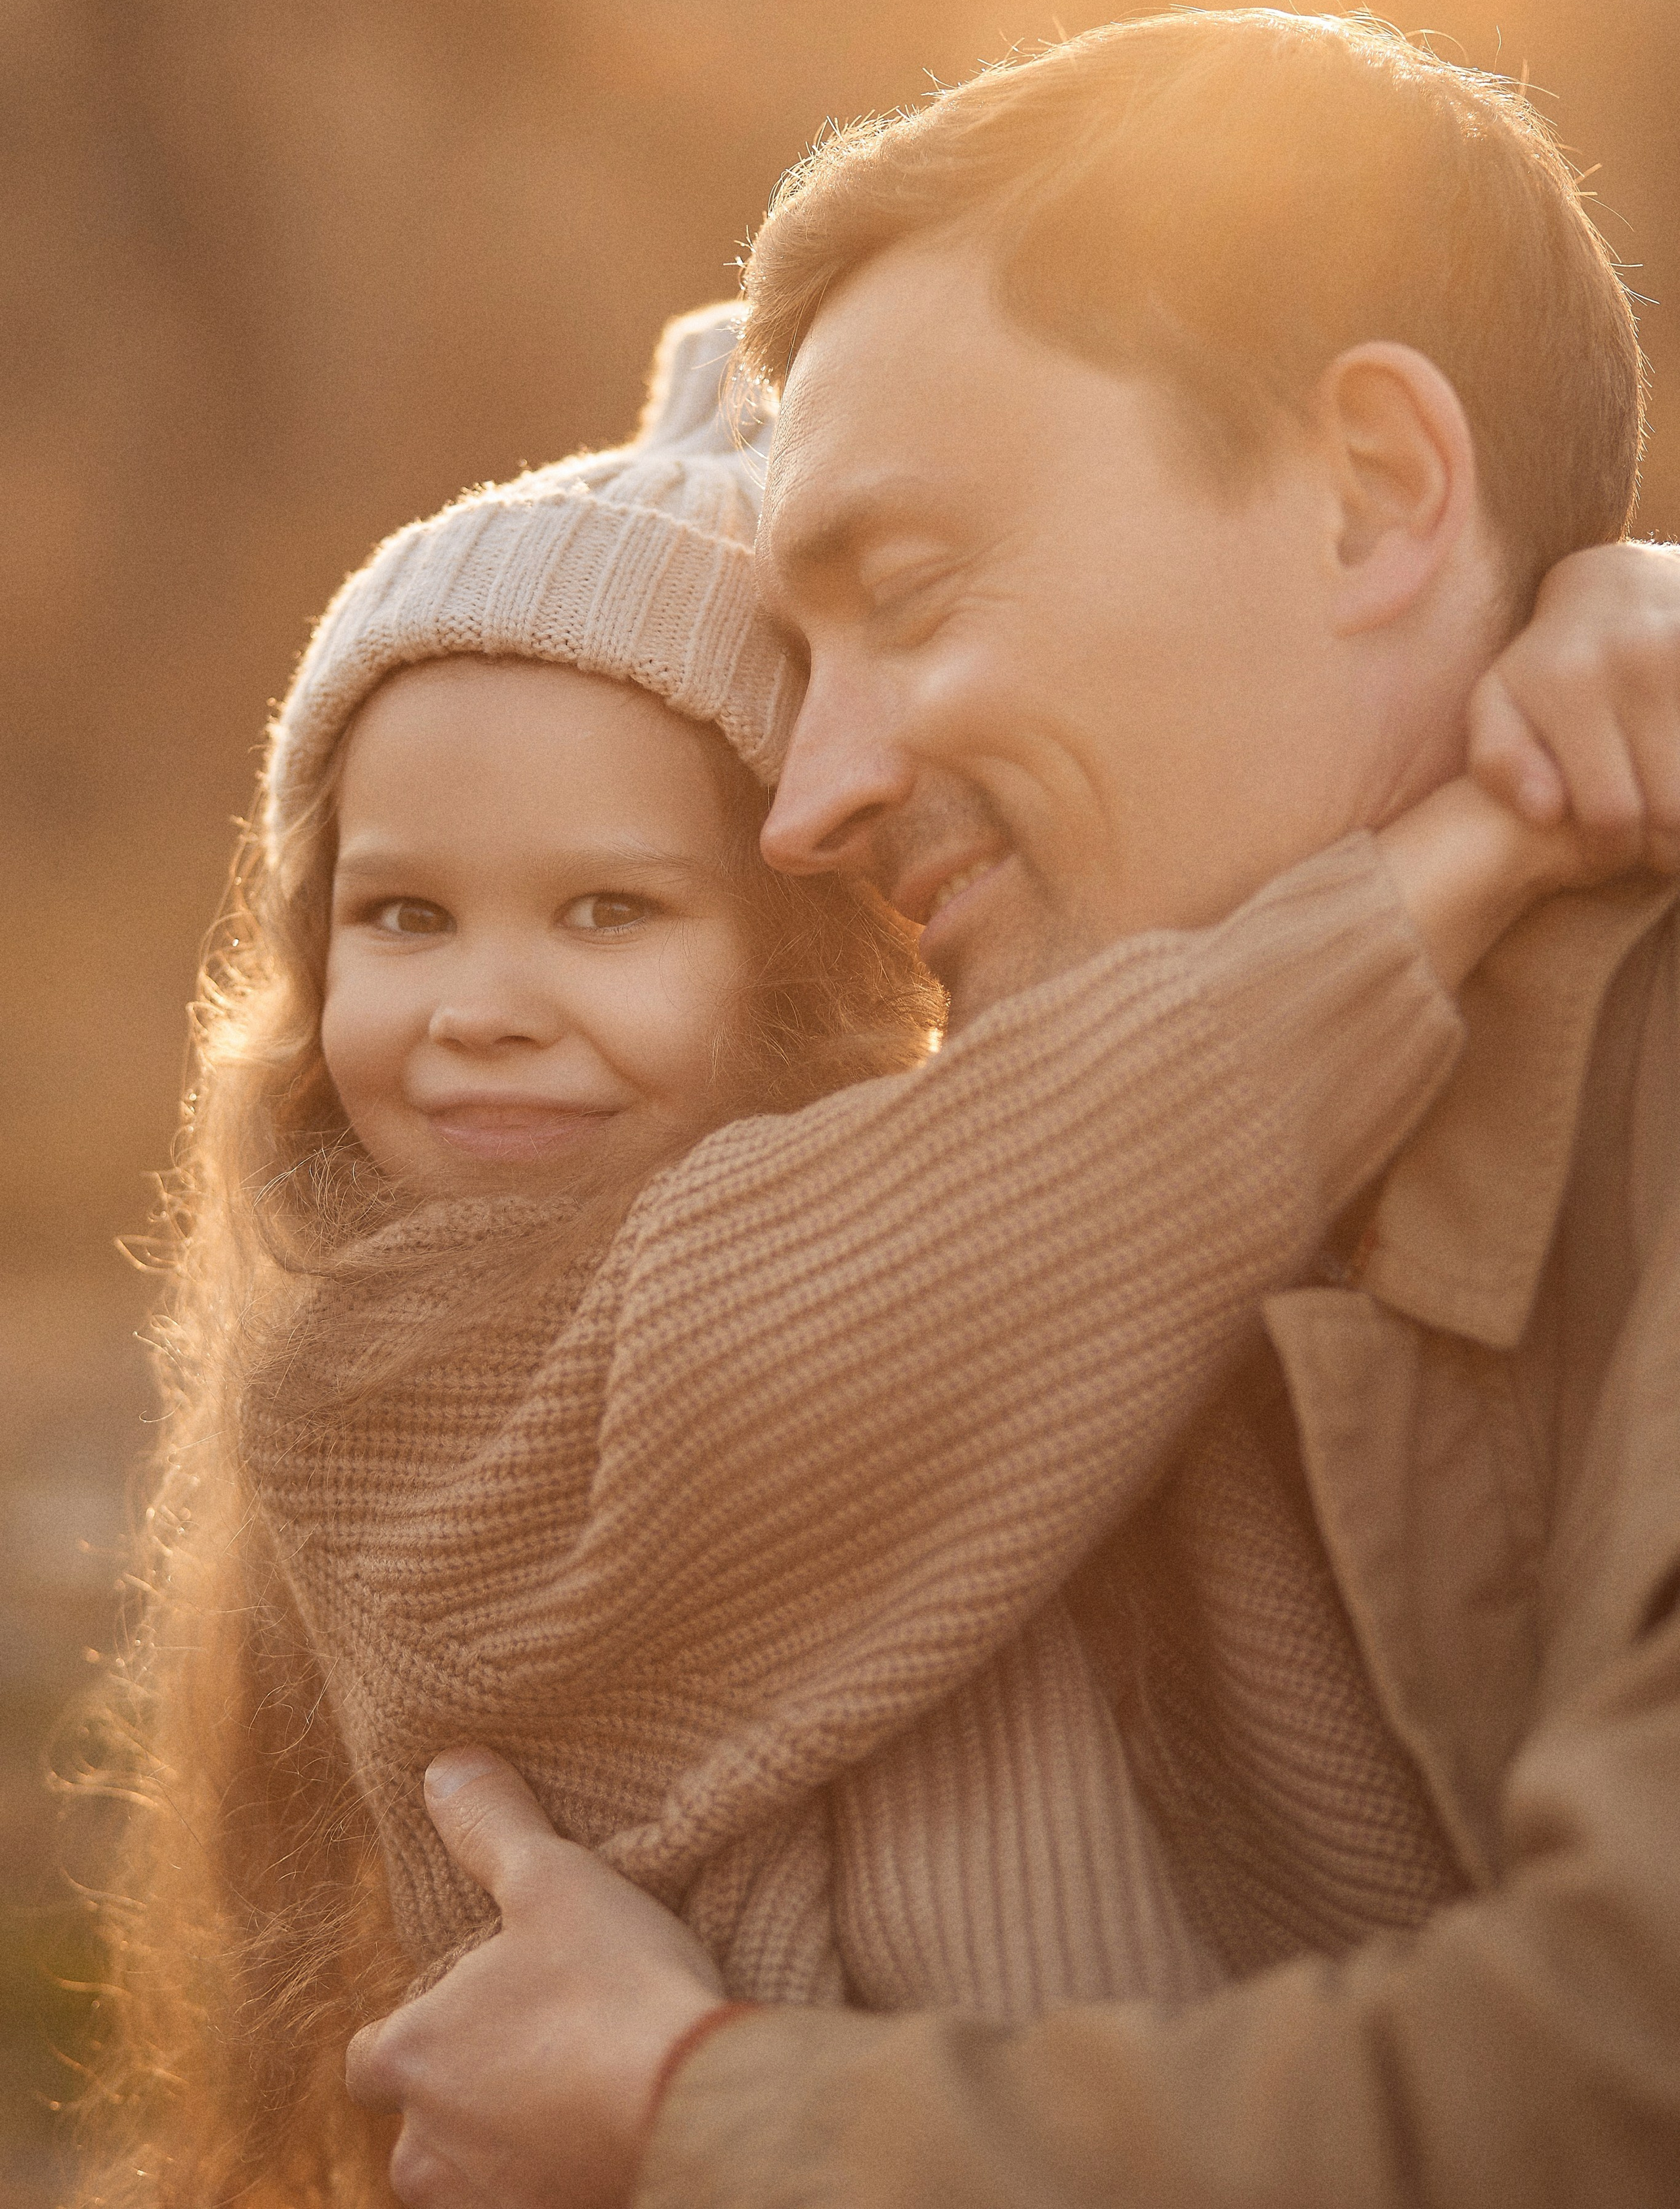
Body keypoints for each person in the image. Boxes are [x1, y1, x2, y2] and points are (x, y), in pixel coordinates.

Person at [81, 291, 1631, 2209]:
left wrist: (1591, 619)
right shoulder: (381, 1391)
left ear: (812, 949)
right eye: (402, 916)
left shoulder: (1069, 1267)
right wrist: (1506, 819)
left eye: (603, 908)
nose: (482, 1003)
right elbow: (1039, 1180)